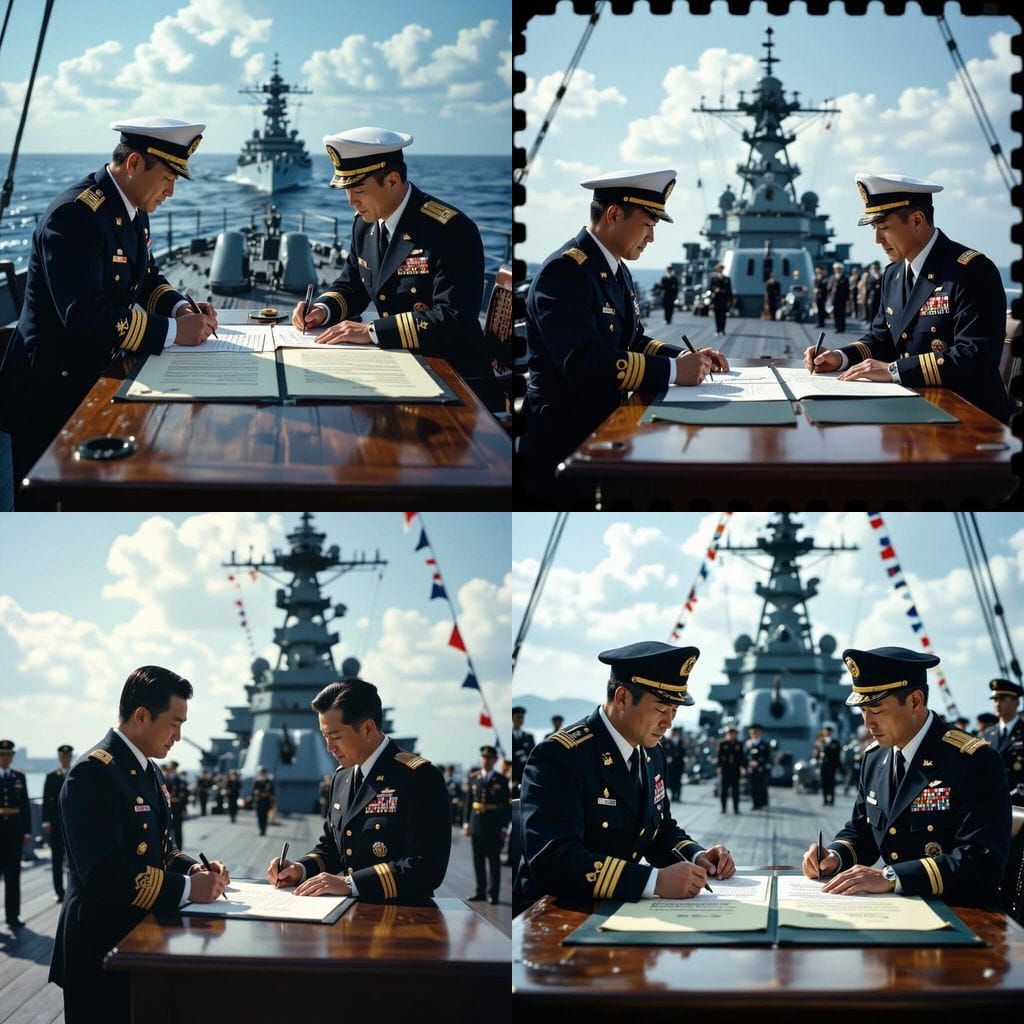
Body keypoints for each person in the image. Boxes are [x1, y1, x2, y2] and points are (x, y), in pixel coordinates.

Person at [0, 118, 217, 486]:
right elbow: (83, 314)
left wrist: (179, 308)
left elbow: (145, 277)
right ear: (134, 165)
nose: (172, 192)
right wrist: (174, 332)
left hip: (99, 370)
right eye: (168, 178)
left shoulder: (132, 208)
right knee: (51, 497)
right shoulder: (75, 216)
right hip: (52, 390)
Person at [523, 169, 727, 499]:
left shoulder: (615, 268)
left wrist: (685, 358)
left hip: (606, 428)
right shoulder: (564, 272)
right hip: (565, 444)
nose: (651, 238)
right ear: (615, 214)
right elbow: (583, 363)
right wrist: (675, 372)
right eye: (648, 225)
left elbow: (632, 340)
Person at [49, 666, 229, 1024]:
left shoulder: (147, 769)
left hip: (142, 941)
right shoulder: (93, 773)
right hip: (101, 948)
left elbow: (160, 849)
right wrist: (191, 888)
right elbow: (103, 873)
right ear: (142, 716)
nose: (178, 736)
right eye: (175, 723)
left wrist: (193, 868)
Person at [517, 642, 736, 904]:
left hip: (616, 906)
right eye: (660, 710)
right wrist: (654, 882)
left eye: (674, 711)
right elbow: (553, 859)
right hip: (553, 913)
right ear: (622, 698)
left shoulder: (652, 753)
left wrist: (697, 857)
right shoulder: (560, 756)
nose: (668, 723)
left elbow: (658, 830)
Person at [290, 127, 493, 404]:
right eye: (348, 190)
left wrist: (371, 331)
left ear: (393, 180)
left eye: (359, 190)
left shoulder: (451, 230)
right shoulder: (364, 224)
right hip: (398, 365)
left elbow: (452, 318)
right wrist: (322, 310)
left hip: (454, 376)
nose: (351, 202)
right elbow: (352, 285)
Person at [801, 647, 1010, 904]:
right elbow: (861, 831)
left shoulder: (973, 760)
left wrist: (892, 877)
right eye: (863, 711)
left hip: (959, 911)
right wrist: (834, 856)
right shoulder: (875, 758)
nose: (868, 724)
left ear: (915, 701)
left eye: (876, 710)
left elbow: (981, 861)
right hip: (899, 908)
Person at [803, 173, 1012, 422]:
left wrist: (893, 370)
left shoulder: (971, 271)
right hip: (910, 407)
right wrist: (841, 357)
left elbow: (974, 355)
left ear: (916, 220)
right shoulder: (893, 274)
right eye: (874, 229)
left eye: (883, 228)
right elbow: (883, 339)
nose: (877, 240)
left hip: (968, 415)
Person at [267, 678, 451, 901]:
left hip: (404, 918)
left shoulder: (419, 777)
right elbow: (332, 848)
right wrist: (299, 868)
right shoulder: (342, 777)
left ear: (367, 728)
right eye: (325, 736)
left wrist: (350, 883)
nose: (329, 747)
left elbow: (427, 868)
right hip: (347, 919)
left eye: (336, 736)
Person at [463, 745, 510, 904]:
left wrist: (504, 827)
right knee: (478, 861)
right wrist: (466, 823)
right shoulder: (473, 778)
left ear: (495, 760)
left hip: (494, 826)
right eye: (484, 757)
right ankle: (480, 891)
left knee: (494, 861)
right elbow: (469, 802)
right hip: (477, 824)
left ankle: (493, 894)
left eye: (489, 758)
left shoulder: (502, 780)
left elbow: (506, 806)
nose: (486, 760)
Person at [0, 739, 31, 927]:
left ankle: (13, 916)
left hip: (14, 834)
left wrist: (27, 831)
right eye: (2, 755)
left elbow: (25, 806)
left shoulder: (19, 777)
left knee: (13, 876)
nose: (5, 758)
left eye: (8, 755)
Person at [981, 678, 1024, 801]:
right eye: (995, 699)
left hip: (1019, 802)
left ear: (1016, 702)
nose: (997, 704)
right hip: (992, 802)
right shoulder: (987, 734)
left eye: (1003, 699)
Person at [42, 744, 75, 902]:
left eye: (67, 756)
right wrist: (45, 821)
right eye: (63, 756)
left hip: (72, 826)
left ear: (71, 757)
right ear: (59, 758)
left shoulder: (76, 774)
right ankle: (59, 891)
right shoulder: (51, 776)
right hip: (55, 825)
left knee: (74, 860)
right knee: (56, 859)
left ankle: (72, 889)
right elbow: (46, 801)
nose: (65, 759)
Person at [716, 726, 745, 814]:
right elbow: (719, 757)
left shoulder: (739, 744)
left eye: (733, 733)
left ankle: (736, 808)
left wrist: (742, 767)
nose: (731, 735)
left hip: (735, 769)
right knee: (724, 790)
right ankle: (723, 808)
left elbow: (741, 757)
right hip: (725, 769)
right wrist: (719, 767)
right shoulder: (722, 743)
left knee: (735, 790)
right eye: (730, 733)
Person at [745, 724, 771, 810]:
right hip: (751, 769)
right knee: (752, 787)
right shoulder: (748, 744)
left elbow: (767, 757)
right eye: (752, 732)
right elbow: (744, 756)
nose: (754, 734)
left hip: (760, 769)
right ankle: (755, 803)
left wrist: (759, 764)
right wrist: (748, 764)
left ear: (760, 732)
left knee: (761, 786)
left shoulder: (764, 744)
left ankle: (762, 802)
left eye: (756, 732)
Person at [164, 760, 188, 848]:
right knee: (168, 830)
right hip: (167, 808)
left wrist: (184, 808)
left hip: (178, 807)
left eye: (172, 768)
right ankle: (169, 849)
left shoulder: (180, 780)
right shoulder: (164, 779)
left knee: (178, 829)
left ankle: (179, 848)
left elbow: (184, 795)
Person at [815, 725, 841, 805]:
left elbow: (837, 755)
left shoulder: (835, 742)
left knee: (832, 783)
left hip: (832, 765)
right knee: (824, 783)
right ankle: (825, 799)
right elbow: (817, 754)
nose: (827, 733)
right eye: (826, 731)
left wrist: (837, 767)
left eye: (829, 731)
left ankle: (832, 800)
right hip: (823, 765)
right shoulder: (820, 741)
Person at [511, 706, 535, 795]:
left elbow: (533, 757)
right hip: (512, 779)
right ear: (512, 718)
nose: (520, 719)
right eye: (518, 717)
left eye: (522, 717)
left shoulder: (529, 737)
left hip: (526, 778)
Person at [709, 263, 732, 336]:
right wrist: (715, 290)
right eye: (719, 268)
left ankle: (722, 329)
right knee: (717, 315)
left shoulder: (727, 279)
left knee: (723, 316)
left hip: (724, 299)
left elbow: (729, 290)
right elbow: (710, 288)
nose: (721, 270)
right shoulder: (713, 278)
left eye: (722, 268)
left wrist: (729, 300)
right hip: (716, 299)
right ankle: (718, 329)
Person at [663, 726, 686, 803]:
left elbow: (684, 752)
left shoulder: (681, 742)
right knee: (672, 780)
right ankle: (673, 796)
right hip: (671, 765)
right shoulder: (667, 741)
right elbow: (664, 751)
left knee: (678, 781)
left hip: (679, 765)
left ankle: (678, 796)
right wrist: (667, 757)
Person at [251, 766, 275, 836]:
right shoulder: (257, 782)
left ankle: (263, 830)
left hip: (266, 801)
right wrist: (253, 801)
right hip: (259, 801)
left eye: (263, 773)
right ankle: (261, 829)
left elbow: (272, 793)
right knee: (259, 816)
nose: (262, 774)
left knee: (265, 816)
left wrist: (272, 803)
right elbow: (253, 792)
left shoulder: (269, 782)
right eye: (261, 773)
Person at [826, 262, 849, 333]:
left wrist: (847, 300)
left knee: (841, 314)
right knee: (835, 314)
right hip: (834, 299)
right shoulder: (832, 278)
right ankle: (837, 327)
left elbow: (847, 290)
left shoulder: (845, 278)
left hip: (842, 299)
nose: (837, 270)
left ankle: (842, 327)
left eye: (839, 269)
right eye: (836, 269)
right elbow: (828, 288)